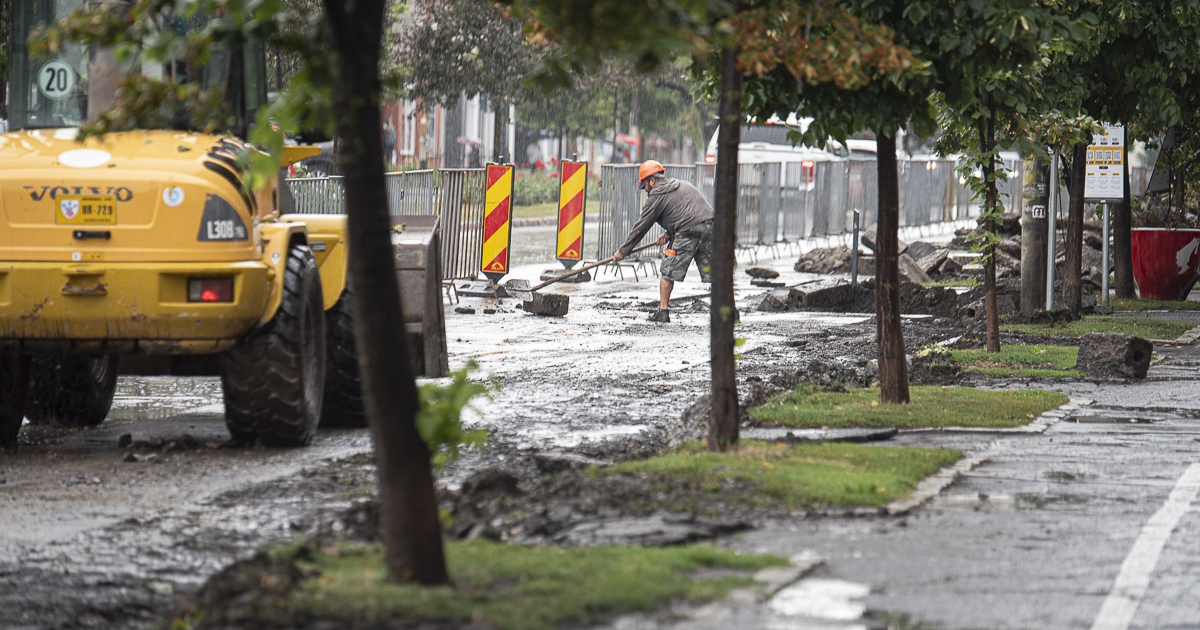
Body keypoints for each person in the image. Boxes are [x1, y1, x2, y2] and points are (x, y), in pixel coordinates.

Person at [613, 160, 715, 323]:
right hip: (711, 227)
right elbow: (690, 212)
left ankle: (663, 312)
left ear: (652, 181)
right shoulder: (682, 185)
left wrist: (623, 251)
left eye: (645, 186)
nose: (645, 191)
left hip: (687, 231)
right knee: (716, 274)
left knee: (667, 272)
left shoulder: (656, 196)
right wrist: (668, 233)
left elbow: (641, 227)